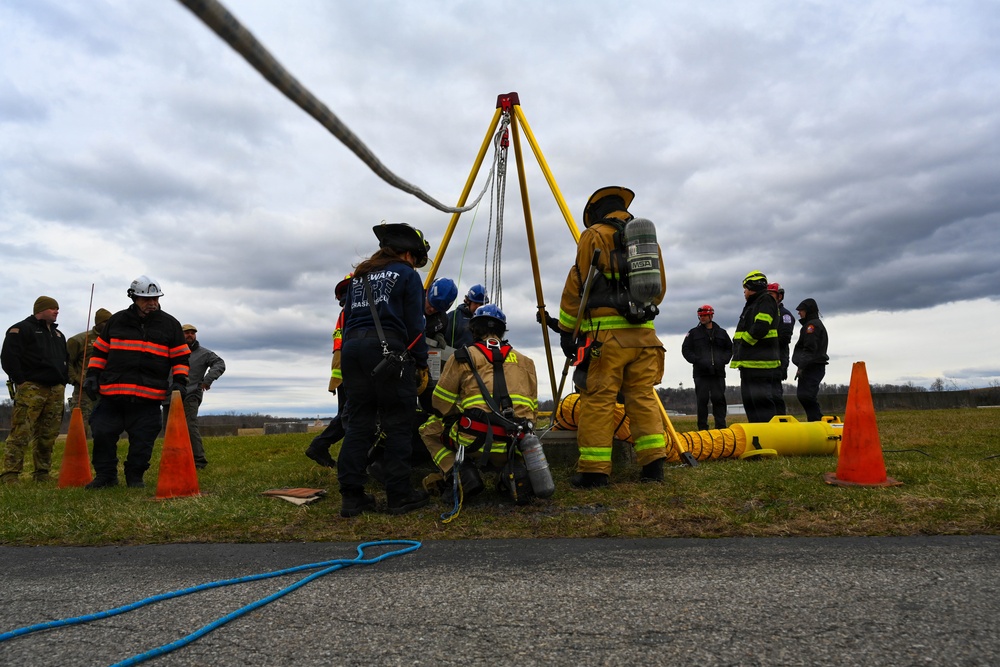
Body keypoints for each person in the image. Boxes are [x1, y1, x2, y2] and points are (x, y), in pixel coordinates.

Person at [557, 186, 667, 487]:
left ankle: (594, 472)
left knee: (598, 400)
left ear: (595, 211)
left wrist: (567, 332)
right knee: (642, 398)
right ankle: (654, 467)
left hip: (607, 340)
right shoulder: (646, 241)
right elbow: (658, 290)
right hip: (646, 338)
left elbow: (577, 284)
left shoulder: (593, 235)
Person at [336, 222, 431, 518]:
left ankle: (352, 497)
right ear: (409, 254)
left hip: (352, 352)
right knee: (398, 423)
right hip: (388, 352)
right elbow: (415, 324)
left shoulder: (359, 277)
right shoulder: (407, 274)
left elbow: (348, 318)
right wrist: (421, 362)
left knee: (359, 423)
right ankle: (399, 495)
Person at [419, 304, 538, 502]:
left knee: (427, 430)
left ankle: (461, 474)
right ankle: (513, 472)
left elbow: (440, 404)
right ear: (502, 331)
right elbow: (532, 411)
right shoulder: (527, 362)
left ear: (473, 329)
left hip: (474, 441)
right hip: (513, 442)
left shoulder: (462, 356)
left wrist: (460, 414)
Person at [83, 276, 190, 489]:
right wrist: (92, 375)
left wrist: (180, 381)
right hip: (112, 395)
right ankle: (106, 476)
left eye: (155, 299)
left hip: (149, 397)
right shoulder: (116, 321)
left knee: (143, 440)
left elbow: (180, 358)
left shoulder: (170, 325)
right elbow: (100, 352)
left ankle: (135, 477)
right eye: (146, 299)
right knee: (102, 433)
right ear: (133, 298)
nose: (152, 303)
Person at [0, 296, 69, 483]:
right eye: (53, 308)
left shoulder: (59, 335)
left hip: (55, 390)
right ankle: (10, 474)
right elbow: (8, 358)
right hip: (32, 388)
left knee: (48, 434)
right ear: (40, 309)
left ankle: (42, 473)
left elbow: (66, 361)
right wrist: (21, 381)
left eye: (57, 308)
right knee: (21, 431)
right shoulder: (20, 330)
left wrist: (63, 381)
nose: (56, 311)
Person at [162, 324, 226, 469]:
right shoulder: (170, 351)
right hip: (169, 395)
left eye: (192, 333)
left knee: (190, 426)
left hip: (191, 394)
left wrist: (207, 380)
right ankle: (174, 460)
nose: (190, 335)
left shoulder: (204, 353)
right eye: (186, 333)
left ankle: (199, 461)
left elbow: (219, 363)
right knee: (168, 428)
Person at [305, 273, 352, 469]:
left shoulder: (344, 312)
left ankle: (319, 447)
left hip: (342, 368)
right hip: (350, 368)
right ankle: (320, 447)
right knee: (349, 415)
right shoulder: (353, 310)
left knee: (345, 414)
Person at [730, 271, 780, 423]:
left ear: (753, 287)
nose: (744, 292)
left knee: (761, 404)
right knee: (751, 404)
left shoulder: (765, 300)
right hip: (749, 363)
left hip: (760, 363)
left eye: (745, 288)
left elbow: (761, 327)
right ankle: (757, 434)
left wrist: (743, 343)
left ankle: (769, 435)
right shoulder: (753, 304)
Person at [681, 304, 733, 431]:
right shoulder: (693, 333)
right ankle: (702, 428)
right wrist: (697, 360)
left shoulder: (722, 333)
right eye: (700, 316)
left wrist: (723, 360)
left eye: (704, 315)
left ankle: (721, 427)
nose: (702, 318)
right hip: (701, 373)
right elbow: (686, 349)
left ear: (711, 316)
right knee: (702, 401)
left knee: (719, 399)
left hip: (718, 373)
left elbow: (730, 348)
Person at [66, 307, 112, 436]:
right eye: (106, 322)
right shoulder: (80, 340)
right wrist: (76, 379)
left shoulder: (114, 339)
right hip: (84, 390)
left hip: (106, 388)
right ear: (98, 323)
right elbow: (67, 363)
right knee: (81, 424)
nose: (109, 324)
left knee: (105, 425)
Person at [792, 298, 829, 422]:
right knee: (805, 395)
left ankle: (817, 420)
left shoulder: (811, 326)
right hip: (811, 366)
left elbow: (809, 349)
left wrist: (801, 367)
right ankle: (815, 420)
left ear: (808, 311)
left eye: (801, 310)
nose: (799, 313)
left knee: (806, 395)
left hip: (812, 367)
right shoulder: (812, 324)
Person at [767, 283, 796, 414]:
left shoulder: (785, 315)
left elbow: (784, 339)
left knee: (775, 394)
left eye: (771, 294)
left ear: (779, 296)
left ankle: (780, 419)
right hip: (766, 359)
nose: (768, 297)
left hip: (778, 359)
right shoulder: (766, 313)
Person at [444, 284, 488, 349]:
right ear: (468, 302)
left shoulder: (487, 322)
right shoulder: (453, 317)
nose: (478, 307)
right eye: (475, 303)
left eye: (481, 304)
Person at [424, 277, 458, 349]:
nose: (432, 309)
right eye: (430, 304)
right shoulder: (409, 302)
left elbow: (442, 331)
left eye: (437, 309)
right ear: (427, 292)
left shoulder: (443, 320)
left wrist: (438, 335)